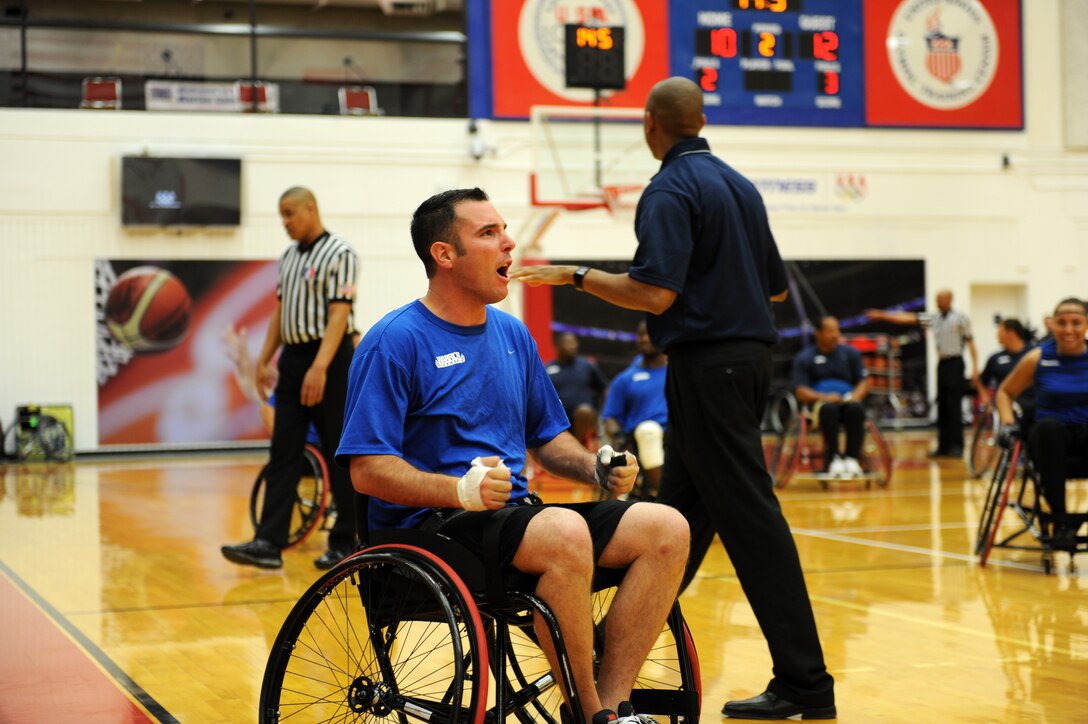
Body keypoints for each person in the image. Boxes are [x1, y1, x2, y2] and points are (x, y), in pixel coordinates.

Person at [511, 77, 836, 720]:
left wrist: (575, 275)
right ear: (701, 119)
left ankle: (805, 681)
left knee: (751, 520)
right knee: (679, 516)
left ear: (650, 123)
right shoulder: (739, 186)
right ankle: (606, 656)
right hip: (746, 362)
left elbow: (653, 294)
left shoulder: (669, 188)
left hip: (708, 364)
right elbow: (773, 289)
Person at [336, 187, 690, 724]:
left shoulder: (512, 334)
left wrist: (595, 464)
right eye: (489, 233)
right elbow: (366, 470)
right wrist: (457, 489)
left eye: (503, 229)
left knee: (666, 528)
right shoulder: (394, 340)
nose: (509, 243)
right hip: (430, 530)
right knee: (563, 534)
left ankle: (613, 705)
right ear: (444, 255)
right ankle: (589, 712)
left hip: (515, 520)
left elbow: (548, 438)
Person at [221, 186, 358, 571]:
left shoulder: (340, 252)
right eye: (281, 215)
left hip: (328, 357)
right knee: (283, 451)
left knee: (340, 454)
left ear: (311, 209)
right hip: (295, 359)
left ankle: (346, 541)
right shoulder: (288, 258)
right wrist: (263, 359)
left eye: (290, 213)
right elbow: (281, 313)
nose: (284, 222)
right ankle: (268, 542)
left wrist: (320, 367)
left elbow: (339, 316)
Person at [996, 298, 1088, 549]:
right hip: (1050, 439)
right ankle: (1060, 523)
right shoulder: (1037, 357)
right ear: (1053, 325)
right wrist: (1006, 423)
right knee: (1049, 428)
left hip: (1084, 434)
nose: (1068, 329)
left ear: (1086, 325)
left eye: (1076, 323)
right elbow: (1004, 393)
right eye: (1062, 323)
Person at [867, 289, 979, 458]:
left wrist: (975, 368)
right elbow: (908, 318)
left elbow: (971, 344)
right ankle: (943, 446)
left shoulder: (961, 318)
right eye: (936, 300)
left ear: (950, 300)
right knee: (942, 405)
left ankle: (957, 446)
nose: (938, 302)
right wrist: (882, 315)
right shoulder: (934, 318)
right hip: (942, 363)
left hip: (956, 363)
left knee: (954, 405)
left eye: (940, 299)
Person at [791, 316, 871, 477]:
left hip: (847, 401)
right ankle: (833, 457)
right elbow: (800, 391)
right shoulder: (805, 358)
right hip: (820, 405)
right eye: (830, 331)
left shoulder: (850, 353)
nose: (835, 335)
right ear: (818, 333)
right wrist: (824, 397)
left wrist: (854, 396)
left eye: (837, 330)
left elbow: (864, 381)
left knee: (856, 409)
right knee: (829, 410)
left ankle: (852, 459)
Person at [601, 321, 668, 499]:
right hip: (641, 438)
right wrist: (618, 435)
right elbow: (610, 418)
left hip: (676, 437)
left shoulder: (677, 372)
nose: (645, 339)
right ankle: (666, 497)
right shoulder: (625, 379)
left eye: (650, 334)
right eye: (641, 335)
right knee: (648, 431)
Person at [547, 332, 609, 446]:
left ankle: (579, 447)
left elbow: (604, 388)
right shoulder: (548, 369)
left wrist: (604, 414)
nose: (572, 345)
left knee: (583, 412)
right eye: (568, 342)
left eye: (574, 342)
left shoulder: (587, 366)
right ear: (558, 346)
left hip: (583, 416)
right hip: (558, 417)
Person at [976, 318, 1032, 406]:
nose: (997, 335)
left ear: (1011, 333)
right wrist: (985, 398)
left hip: (1032, 404)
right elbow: (982, 382)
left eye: (1000, 332)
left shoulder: (1034, 353)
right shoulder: (995, 358)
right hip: (1006, 406)